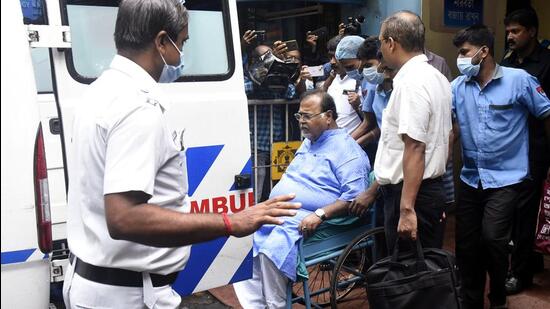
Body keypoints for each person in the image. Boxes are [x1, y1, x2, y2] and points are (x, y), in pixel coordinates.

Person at [62, 1, 301, 308]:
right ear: (162, 41)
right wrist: (230, 222)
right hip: (129, 295)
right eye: (183, 42)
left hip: (103, 285)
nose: (181, 55)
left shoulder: (100, 91)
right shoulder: (137, 107)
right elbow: (124, 217)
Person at [234, 89, 371, 308]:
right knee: (242, 239)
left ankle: (275, 304)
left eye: (308, 116)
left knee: (271, 251)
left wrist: (320, 214)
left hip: (318, 218)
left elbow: (355, 198)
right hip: (286, 210)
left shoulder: (347, 150)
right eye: (299, 116)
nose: (301, 121)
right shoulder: (310, 142)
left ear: (328, 116)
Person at [451, 24, 550, 309]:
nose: (460, 58)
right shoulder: (458, 87)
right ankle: (471, 301)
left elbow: (546, 114)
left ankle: (497, 298)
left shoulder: (520, 80)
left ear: (483, 52)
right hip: (471, 178)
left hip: (507, 178)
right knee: (467, 246)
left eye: (464, 52)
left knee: (493, 238)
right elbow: (450, 125)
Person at [373, 11, 452, 251]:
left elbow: (415, 146)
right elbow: (445, 137)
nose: (381, 48)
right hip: (427, 190)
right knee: (424, 270)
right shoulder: (436, 77)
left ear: (391, 43)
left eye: (381, 41)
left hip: (410, 194)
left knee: (408, 277)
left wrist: (407, 209)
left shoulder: (411, 83)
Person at [500, 7, 550, 295]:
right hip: (511, 146)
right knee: (517, 210)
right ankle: (530, 261)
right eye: (508, 31)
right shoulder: (509, 60)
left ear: (531, 31)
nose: (510, 36)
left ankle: (519, 273)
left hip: (535, 148)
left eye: (516, 31)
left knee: (523, 212)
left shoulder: (546, 63)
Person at [323, 35, 363, 135]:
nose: (332, 62)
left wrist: (358, 106)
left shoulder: (360, 81)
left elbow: (371, 122)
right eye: (330, 57)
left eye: (335, 57)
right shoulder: (333, 79)